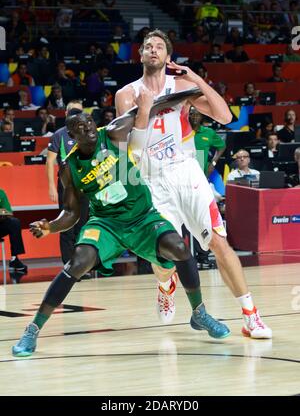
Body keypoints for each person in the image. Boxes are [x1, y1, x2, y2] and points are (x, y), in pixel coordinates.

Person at [12, 105, 231, 357]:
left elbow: (151, 108)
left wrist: (185, 95)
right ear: (72, 135)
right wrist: (50, 226)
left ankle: (199, 313)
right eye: (81, 126)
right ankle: (32, 329)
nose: (89, 127)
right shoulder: (69, 167)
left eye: (90, 122)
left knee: (179, 248)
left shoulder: (113, 133)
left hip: (142, 217)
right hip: (106, 223)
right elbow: (71, 213)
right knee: (76, 263)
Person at [116, 29, 271, 338]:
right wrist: (145, 107)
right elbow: (131, 149)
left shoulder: (182, 87)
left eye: (159, 46)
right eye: (148, 46)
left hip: (186, 173)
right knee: (165, 254)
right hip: (151, 179)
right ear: (141, 55)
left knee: (218, 242)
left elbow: (226, 117)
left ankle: (251, 315)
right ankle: (165, 284)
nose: (153, 50)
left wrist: (197, 79)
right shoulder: (127, 94)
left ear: (167, 56)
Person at [46, 101, 89, 266]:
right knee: (67, 226)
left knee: (83, 225)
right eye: (73, 111)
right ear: (66, 113)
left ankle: (82, 265)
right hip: (67, 186)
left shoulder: (87, 133)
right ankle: (69, 265)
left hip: (85, 186)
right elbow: (50, 162)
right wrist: (51, 187)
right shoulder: (59, 135)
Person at [189, 107, 225, 177]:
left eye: (198, 114)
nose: (195, 116)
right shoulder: (183, 132)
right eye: (192, 114)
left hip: (202, 170)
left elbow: (222, 147)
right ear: (188, 116)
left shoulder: (209, 132)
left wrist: (213, 163)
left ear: (201, 117)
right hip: (186, 170)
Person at [0, 188, 27, 273]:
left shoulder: (1, 193)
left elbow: (8, 213)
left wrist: (2, 213)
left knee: (14, 222)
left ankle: (14, 259)